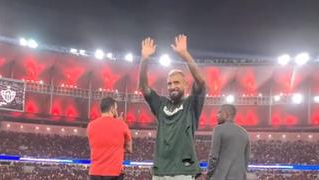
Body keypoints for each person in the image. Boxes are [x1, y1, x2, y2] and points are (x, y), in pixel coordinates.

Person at [138, 34, 206, 180]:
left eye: (176, 82)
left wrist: (185, 55)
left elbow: (201, 82)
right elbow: (144, 88)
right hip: (160, 171)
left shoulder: (191, 105)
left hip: (183, 171)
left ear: (185, 84)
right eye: (169, 83)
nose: (172, 86)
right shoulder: (161, 104)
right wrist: (144, 59)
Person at [199, 104, 250, 180]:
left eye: (219, 112)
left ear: (226, 114)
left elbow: (214, 156)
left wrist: (208, 174)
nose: (216, 115)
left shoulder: (219, 129)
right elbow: (246, 160)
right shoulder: (244, 133)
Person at [87, 97, 132, 180]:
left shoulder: (91, 126)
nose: (116, 111)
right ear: (112, 109)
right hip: (114, 173)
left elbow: (95, 145)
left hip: (95, 173)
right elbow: (129, 149)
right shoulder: (122, 125)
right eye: (116, 108)